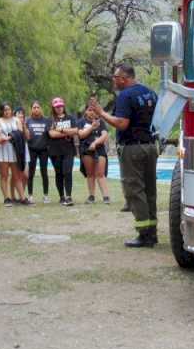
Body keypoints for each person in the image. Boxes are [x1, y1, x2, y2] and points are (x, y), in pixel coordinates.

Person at [91, 63, 159, 247]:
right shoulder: (150, 93)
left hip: (133, 149)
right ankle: (152, 233)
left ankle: (143, 234)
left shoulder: (125, 96)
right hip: (151, 146)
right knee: (149, 190)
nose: (113, 80)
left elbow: (121, 123)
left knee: (135, 190)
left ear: (124, 78)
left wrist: (101, 113)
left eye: (115, 77)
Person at [47, 98, 78, 206]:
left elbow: (75, 131)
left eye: (61, 106)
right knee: (59, 174)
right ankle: (61, 196)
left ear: (64, 106)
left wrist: (60, 130)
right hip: (55, 151)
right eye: (57, 107)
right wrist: (67, 132)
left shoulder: (70, 118)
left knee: (67, 172)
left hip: (69, 150)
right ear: (53, 108)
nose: (59, 108)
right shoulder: (50, 120)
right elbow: (52, 134)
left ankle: (69, 196)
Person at [78, 105, 111, 204]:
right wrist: (92, 127)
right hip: (86, 150)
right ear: (86, 112)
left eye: (94, 110)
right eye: (89, 110)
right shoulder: (81, 122)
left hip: (99, 150)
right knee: (90, 174)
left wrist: (95, 143)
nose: (92, 112)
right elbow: (81, 134)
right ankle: (91, 196)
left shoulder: (101, 122)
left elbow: (104, 136)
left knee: (100, 174)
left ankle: (106, 197)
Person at [0, 103, 21, 206]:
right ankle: (6, 198)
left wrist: (8, 138)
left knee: (16, 175)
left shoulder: (16, 120)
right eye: (4, 110)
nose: (7, 111)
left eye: (8, 109)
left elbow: (20, 133)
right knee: (4, 175)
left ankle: (22, 197)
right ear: (1, 111)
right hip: (2, 149)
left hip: (14, 149)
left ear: (11, 110)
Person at [25, 101, 51, 203]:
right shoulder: (27, 121)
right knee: (31, 173)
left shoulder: (46, 120)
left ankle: (45, 196)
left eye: (38, 107)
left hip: (44, 150)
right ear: (31, 109)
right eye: (34, 107)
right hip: (32, 149)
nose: (36, 109)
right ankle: (30, 195)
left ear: (41, 108)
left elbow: (50, 134)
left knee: (44, 172)